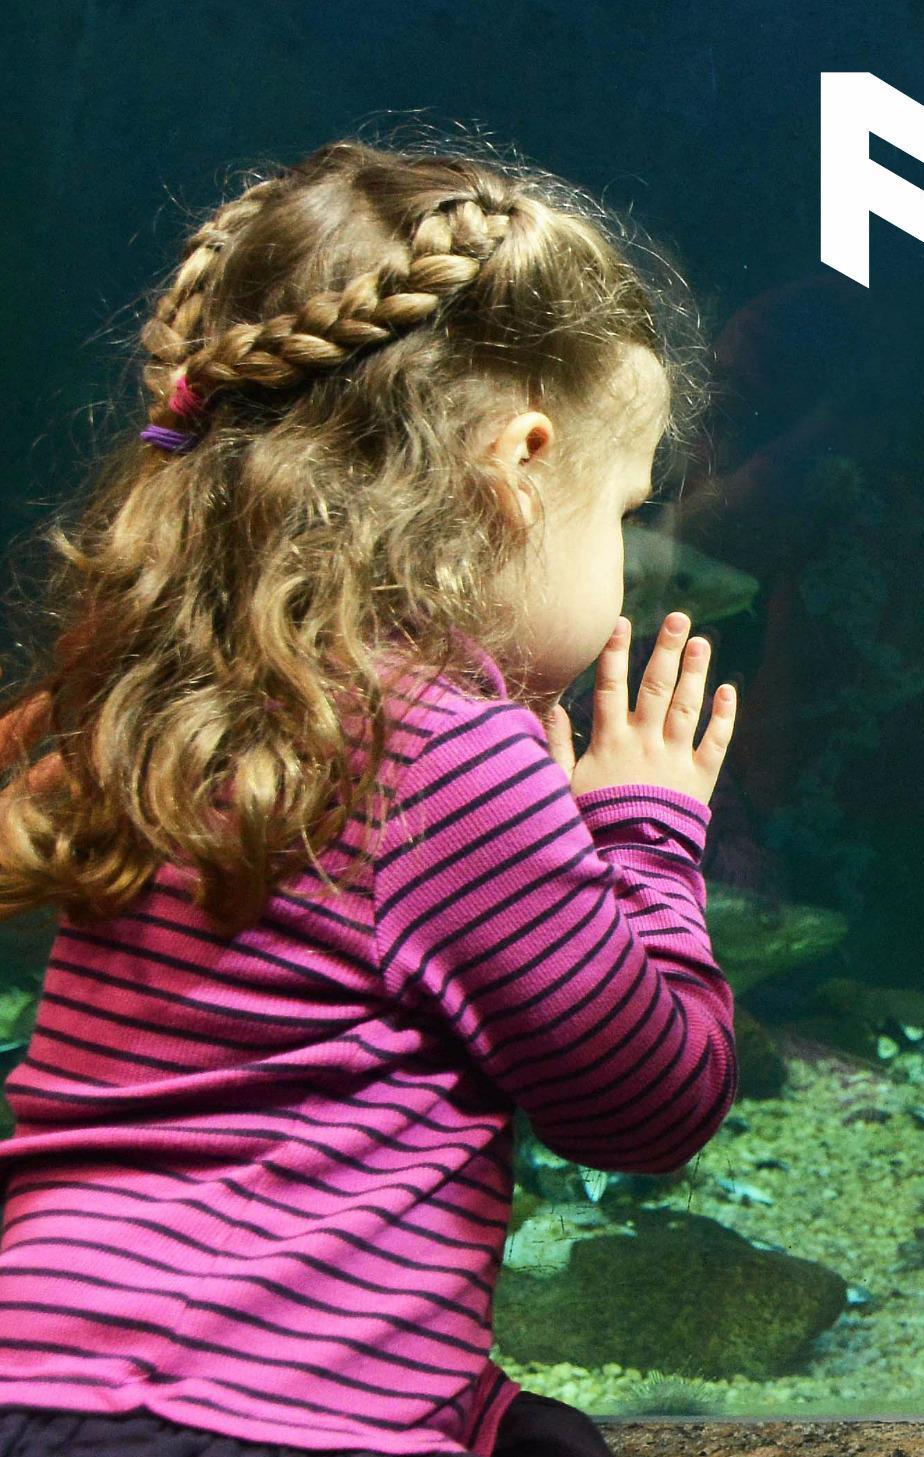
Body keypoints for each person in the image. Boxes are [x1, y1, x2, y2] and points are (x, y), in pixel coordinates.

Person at [0, 136, 738, 1457]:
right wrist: (641, 826)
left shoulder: (151, 695)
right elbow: (646, 1100)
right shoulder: (442, 752)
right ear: (519, 467)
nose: (621, 564)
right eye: (620, 511)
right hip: (274, 1422)